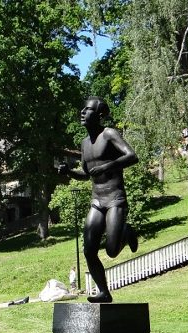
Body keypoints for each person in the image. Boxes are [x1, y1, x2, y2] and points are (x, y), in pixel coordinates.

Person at [57, 96, 140, 303]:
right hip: (97, 200)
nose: (82, 113)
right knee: (89, 249)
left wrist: (107, 166)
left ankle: (127, 231)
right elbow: (87, 174)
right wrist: (69, 172)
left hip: (115, 198)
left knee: (112, 251)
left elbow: (132, 156)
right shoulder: (85, 143)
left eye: (87, 110)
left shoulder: (109, 134)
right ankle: (104, 291)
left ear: (100, 115)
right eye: (82, 110)